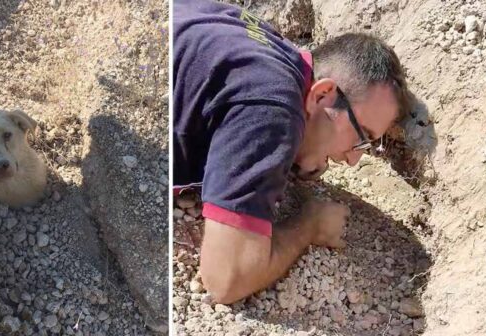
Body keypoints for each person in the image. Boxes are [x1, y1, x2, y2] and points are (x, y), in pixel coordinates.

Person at [173, 0, 412, 304]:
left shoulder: (264, 45)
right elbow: (226, 279)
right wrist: (309, 225)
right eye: (362, 137)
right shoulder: (275, 106)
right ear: (323, 94)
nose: (353, 159)